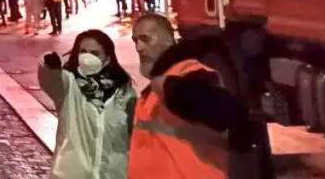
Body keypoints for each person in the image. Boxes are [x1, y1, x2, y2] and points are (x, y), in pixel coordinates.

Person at [128, 14, 254, 178]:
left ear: (167, 40)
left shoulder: (189, 74)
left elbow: (225, 110)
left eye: (145, 39)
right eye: (135, 40)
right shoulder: (152, 90)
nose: (139, 47)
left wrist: (172, 88)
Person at [39, 29, 137, 178]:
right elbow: (50, 80)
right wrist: (48, 63)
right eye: (83, 51)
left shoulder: (124, 90)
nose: (87, 57)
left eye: (95, 53)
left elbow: (133, 133)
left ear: (107, 58)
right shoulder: (68, 83)